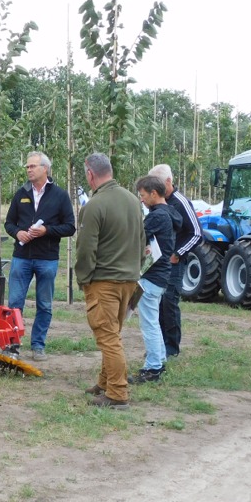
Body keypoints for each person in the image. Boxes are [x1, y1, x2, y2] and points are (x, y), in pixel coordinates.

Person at [76, 153, 145, 409]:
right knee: (113, 333)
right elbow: (141, 241)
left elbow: (86, 249)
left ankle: (117, 393)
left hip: (104, 281)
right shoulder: (132, 200)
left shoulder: (94, 205)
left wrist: (83, 279)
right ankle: (104, 382)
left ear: (90, 174)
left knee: (108, 338)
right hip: (128, 279)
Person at [4, 151, 76, 361]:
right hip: (22, 257)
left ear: (45, 168)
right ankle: (12, 344)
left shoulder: (60, 196)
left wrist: (47, 231)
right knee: (15, 303)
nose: (28, 169)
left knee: (44, 304)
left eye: (32, 166)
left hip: (47, 258)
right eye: (27, 167)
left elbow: (70, 227)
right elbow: (9, 222)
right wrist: (17, 232)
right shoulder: (21, 194)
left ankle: (38, 345)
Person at [147, 163, 202, 358]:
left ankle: (171, 348)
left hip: (174, 264)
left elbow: (196, 234)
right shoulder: (156, 204)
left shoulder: (181, 202)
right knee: (158, 304)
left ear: (168, 181)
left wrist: (177, 254)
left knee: (169, 304)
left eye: (158, 184)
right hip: (157, 264)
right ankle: (159, 346)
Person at [133, 175, 181, 383]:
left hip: (151, 276)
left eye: (143, 195)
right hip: (161, 275)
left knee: (149, 323)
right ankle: (160, 358)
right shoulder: (169, 213)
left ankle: (153, 368)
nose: (141, 200)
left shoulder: (157, 216)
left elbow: (136, 237)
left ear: (154, 193)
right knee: (153, 321)